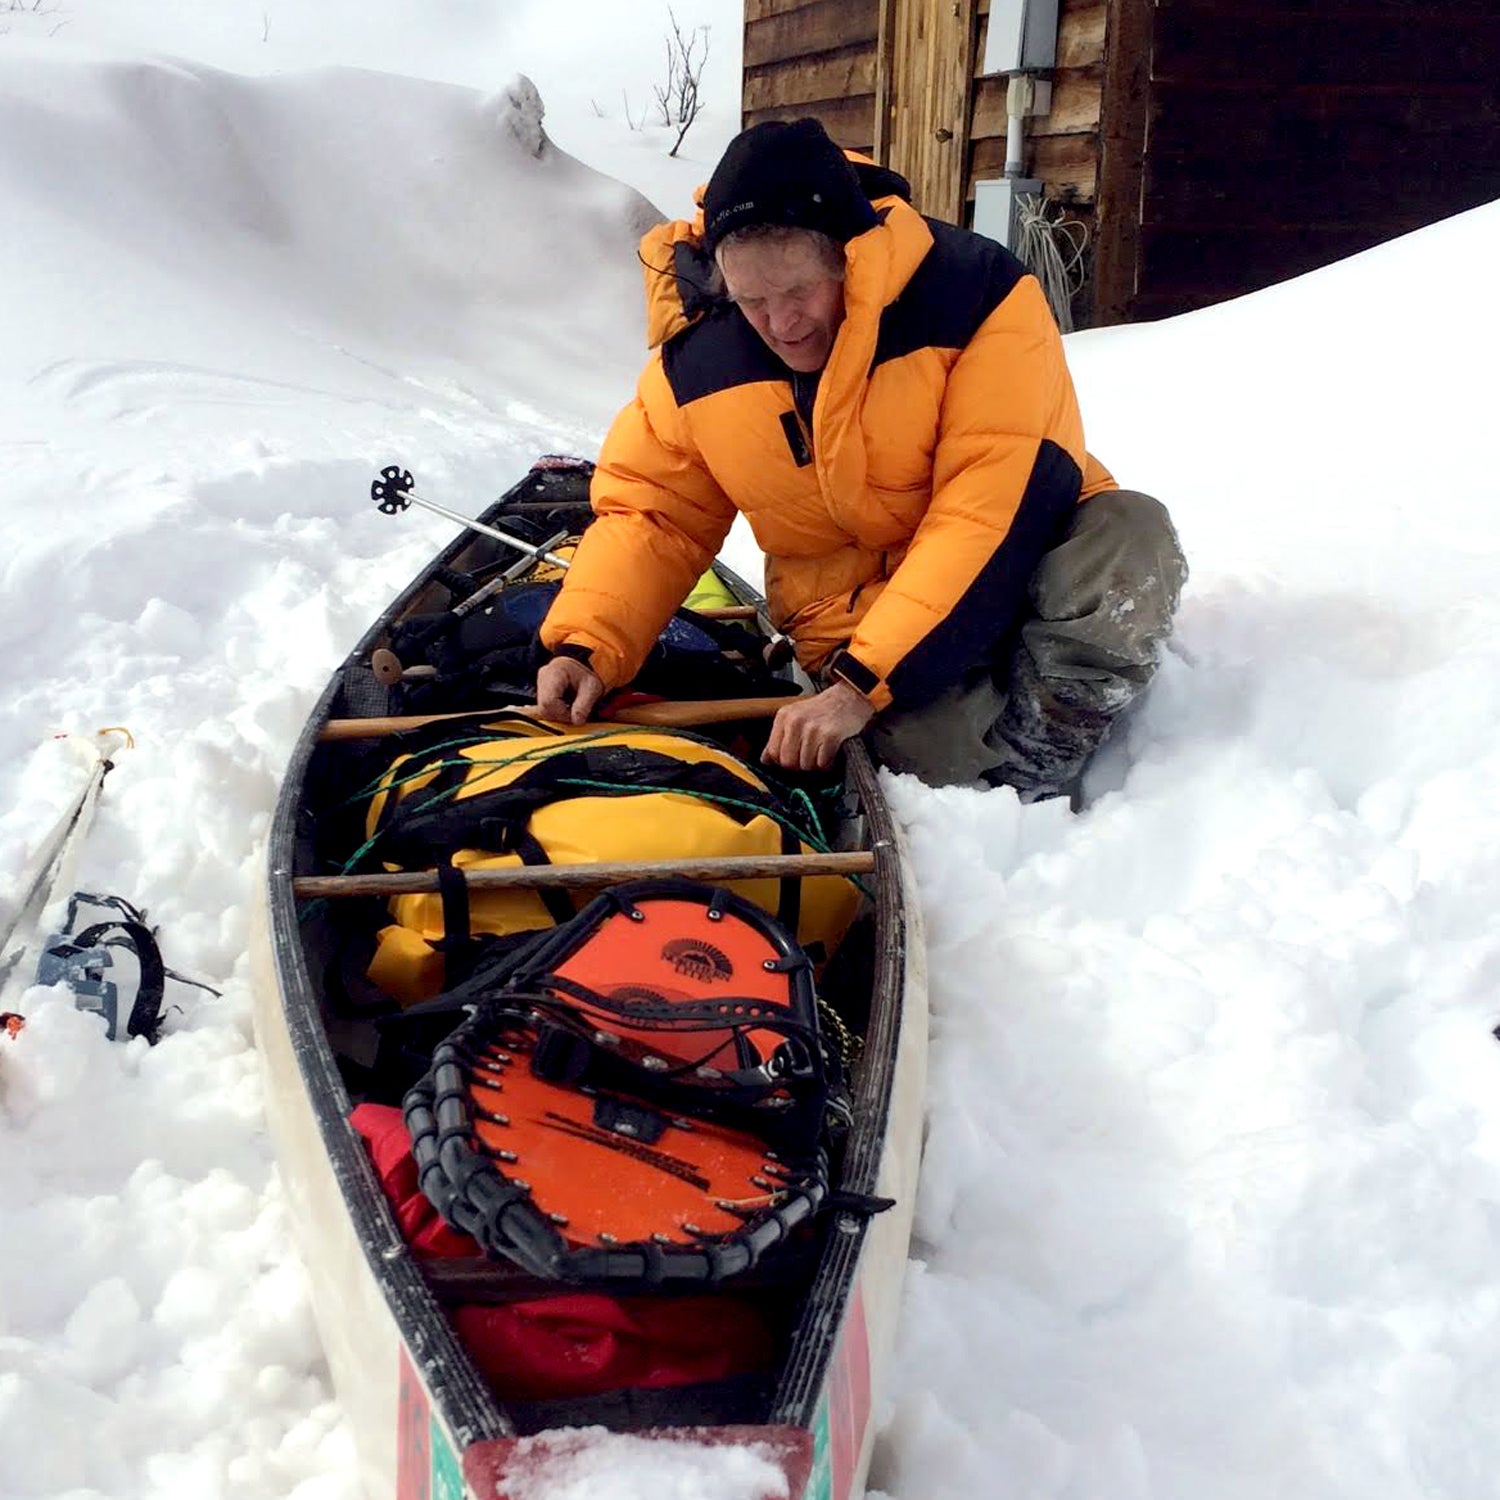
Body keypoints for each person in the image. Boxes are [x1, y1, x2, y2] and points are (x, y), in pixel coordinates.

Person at [534, 117, 1186, 802]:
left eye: (798, 293)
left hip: (1021, 558)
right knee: (934, 758)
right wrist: (586, 646)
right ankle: (983, 739)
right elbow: (654, 516)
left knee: (1130, 536)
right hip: (854, 623)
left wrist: (862, 686)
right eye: (752, 301)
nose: (780, 324)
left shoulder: (978, 294)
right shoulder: (699, 360)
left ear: (849, 255)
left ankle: (1051, 735)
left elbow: (990, 506)